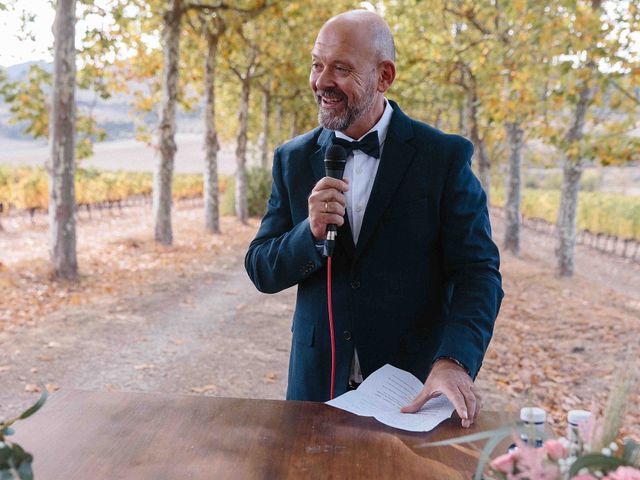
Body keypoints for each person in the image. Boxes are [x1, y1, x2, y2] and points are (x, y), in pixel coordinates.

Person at [244, 10, 503, 428]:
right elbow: (261, 268)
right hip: (314, 391)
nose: (321, 81)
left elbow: (478, 272)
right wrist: (307, 233)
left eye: (341, 68)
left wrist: (455, 360)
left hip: (411, 394)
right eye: (317, 64)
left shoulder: (443, 158)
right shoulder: (292, 159)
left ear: (385, 76)